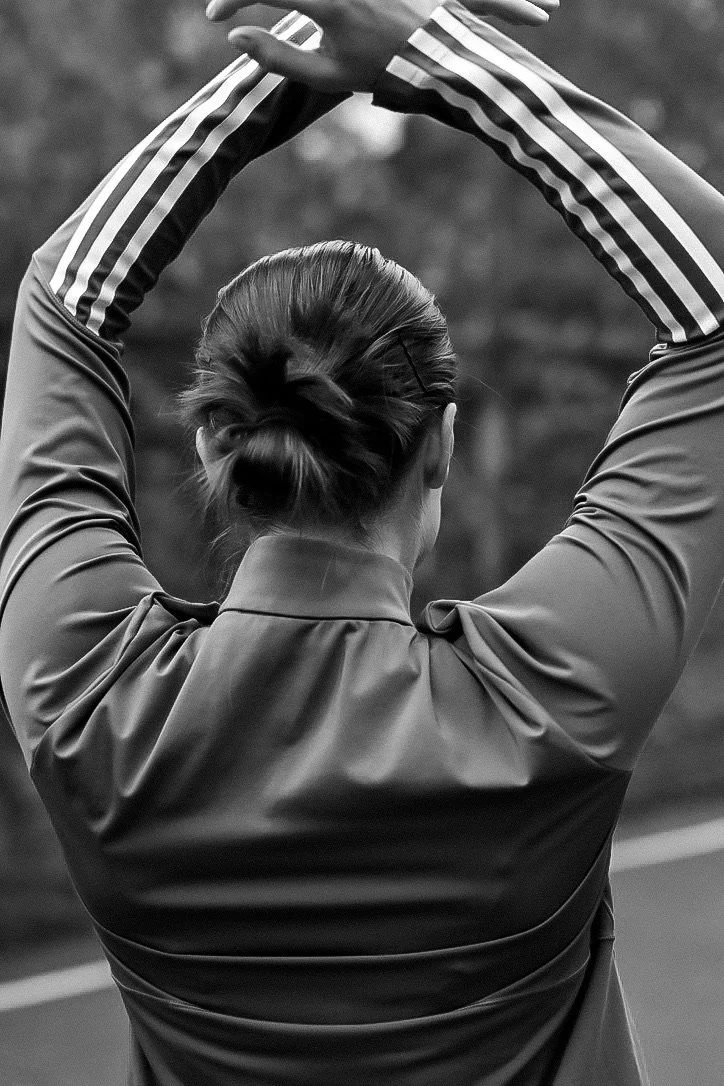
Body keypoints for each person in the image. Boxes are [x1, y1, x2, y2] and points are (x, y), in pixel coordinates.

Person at [2, 0, 723, 1081]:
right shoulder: (544, 702)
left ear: (210, 439)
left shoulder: (87, 703)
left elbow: (62, 302)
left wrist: (305, 54)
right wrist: (421, 43)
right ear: (438, 445)